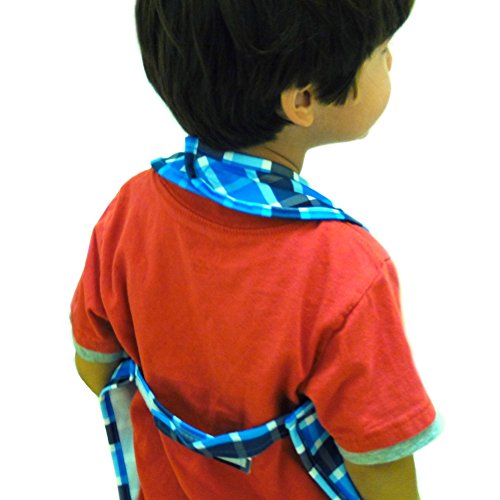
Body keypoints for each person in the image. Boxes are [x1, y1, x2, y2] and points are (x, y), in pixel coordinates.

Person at [71, 1, 442, 498]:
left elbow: (95, 365)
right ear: (304, 99)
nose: (391, 60)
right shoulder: (346, 272)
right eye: (379, 51)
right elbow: (381, 463)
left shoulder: (131, 208)